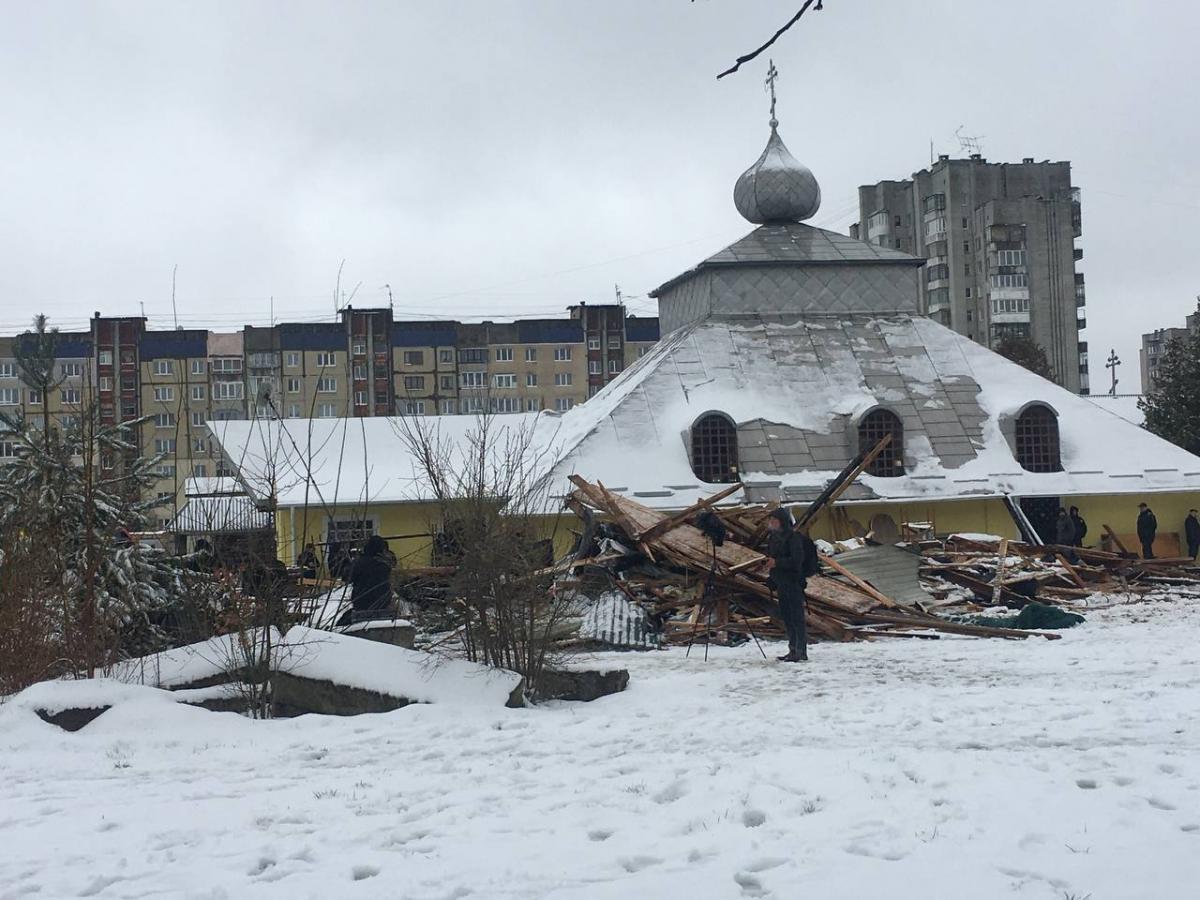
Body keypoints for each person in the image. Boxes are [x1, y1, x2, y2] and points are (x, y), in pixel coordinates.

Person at [765, 508, 818, 663]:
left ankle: (801, 650)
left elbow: (797, 561)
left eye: (774, 520)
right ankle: (792, 648)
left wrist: (777, 563)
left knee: (796, 617)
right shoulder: (774, 538)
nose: (771, 523)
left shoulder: (793, 538)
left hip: (793, 581)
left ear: (782, 521)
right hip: (780, 582)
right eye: (771, 520)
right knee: (787, 617)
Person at [343, 534, 394, 625]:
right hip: (382, 602)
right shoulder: (385, 563)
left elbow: (346, 578)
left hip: (361, 601)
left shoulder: (358, 563)